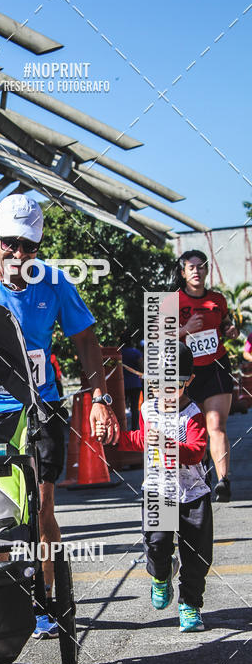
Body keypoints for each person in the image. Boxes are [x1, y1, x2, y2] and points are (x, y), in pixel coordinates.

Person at [0, 194, 119, 638]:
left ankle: (45, 599)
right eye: (10, 243)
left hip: (40, 406)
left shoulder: (52, 280)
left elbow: (85, 339)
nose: (18, 254)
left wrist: (101, 400)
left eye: (28, 246)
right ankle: (16, 589)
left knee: (41, 505)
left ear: (39, 246)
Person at [101, 342, 212, 632]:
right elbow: (141, 438)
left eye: (173, 384)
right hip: (158, 491)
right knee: (156, 545)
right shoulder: (147, 408)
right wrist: (114, 439)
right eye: (158, 383)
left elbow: (197, 451)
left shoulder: (192, 414)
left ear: (188, 381)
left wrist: (167, 444)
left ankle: (190, 605)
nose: (165, 391)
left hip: (192, 494)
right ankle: (161, 575)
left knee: (197, 557)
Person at [173, 250, 239, 502]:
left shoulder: (217, 300)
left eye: (201, 267)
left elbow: (225, 325)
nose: (197, 271)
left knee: (216, 426)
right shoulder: (172, 302)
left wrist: (231, 330)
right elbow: (158, 337)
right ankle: (202, 476)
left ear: (206, 271)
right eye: (191, 267)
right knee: (194, 428)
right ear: (182, 272)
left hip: (216, 367)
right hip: (186, 372)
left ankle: (223, 481)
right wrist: (185, 329)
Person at [120, 330, 144, 429]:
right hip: (135, 383)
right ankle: (135, 428)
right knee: (134, 408)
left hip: (122, 384)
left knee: (122, 407)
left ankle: (122, 427)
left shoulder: (119, 353)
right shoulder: (136, 353)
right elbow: (142, 368)